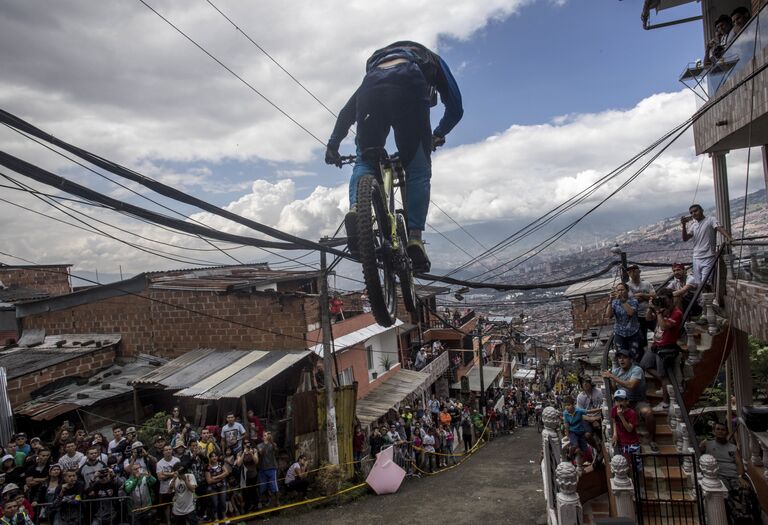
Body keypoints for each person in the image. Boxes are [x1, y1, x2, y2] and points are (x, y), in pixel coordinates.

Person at [324, 40, 464, 271]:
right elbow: (456, 108)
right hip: (410, 87)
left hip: (371, 91)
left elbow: (348, 112)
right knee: (418, 169)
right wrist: (437, 134)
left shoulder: (377, 69)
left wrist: (333, 145)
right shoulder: (433, 61)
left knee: (364, 160)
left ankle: (357, 212)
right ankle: (415, 239)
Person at [602, 347, 659, 453]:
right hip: (623, 403)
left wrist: (613, 377)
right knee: (614, 413)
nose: (621, 360)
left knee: (648, 413)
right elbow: (614, 390)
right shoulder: (616, 371)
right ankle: (618, 438)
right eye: (619, 358)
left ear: (631, 360)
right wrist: (609, 380)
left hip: (637, 401)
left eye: (624, 358)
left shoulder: (636, 370)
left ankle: (652, 440)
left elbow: (631, 385)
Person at [642, 288, 683, 412]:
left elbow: (664, 326)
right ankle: (666, 384)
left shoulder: (677, 313)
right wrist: (651, 307)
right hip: (656, 344)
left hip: (667, 347)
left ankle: (665, 402)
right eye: (661, 299)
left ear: (671, 299)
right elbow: (648, 319)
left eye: (664, 299)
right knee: (645, 364)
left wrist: (659, 312)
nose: (663, 302)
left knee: (663, 375)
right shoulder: (661, 309)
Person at [681, 204, 732, 288]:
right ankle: (703, 300)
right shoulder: (694, 225)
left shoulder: (711, 219)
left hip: (708, 256)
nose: (694, 213)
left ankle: (708, 299)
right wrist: (683, 225)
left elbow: (719, 228)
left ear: (702, 210)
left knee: (706, 283)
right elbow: (685, 238)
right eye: (691, 212)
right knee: (698, 283)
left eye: (695, 211)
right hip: (696, 258)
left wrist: (729, 238)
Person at [605, 282, 641, 358]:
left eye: (622, 290)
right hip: (619, 333)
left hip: (633, 332)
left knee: (634, 355)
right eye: (618, 290)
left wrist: (622, 300)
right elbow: (609, 315)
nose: (620, 292)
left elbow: (631, 313)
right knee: (621, 356)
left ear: (627, 290)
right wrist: (610, 301)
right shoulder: (615, 302)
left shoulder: (633, 301)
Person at [626, 264, 655, 359]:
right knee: (641, 340)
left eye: (634, 270)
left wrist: (641, 294)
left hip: (650, 313)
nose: (632, 272)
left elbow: (654, 296)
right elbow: (630, 300)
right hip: (637, 316)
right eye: (629, 271)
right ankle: (643, 359)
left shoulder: (647, 283)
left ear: (639, 271)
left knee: (659, 332)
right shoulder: (627, 286)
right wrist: (646, 296)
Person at [611, 389, 642, 472]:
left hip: (632, 444)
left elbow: (629, 429)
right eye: (617, 400)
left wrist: (621, 416)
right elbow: (614, 422)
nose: (619, 403)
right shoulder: (614, 410)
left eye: (621, 400)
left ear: (626, 401)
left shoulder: (632, 413)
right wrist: (615, 434)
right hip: (622, 443)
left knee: (636, 468)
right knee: (625, 467)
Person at [575, 378, 604, 451]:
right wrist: (592, 420)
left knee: (604, 434)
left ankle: (604, 447)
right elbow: (581, 414)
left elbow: (603, 407)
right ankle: (597, 448)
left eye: (587, 382)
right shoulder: (580, 397)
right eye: (583, 382)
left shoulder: (599, 392)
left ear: (591, 383)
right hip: (588, 419)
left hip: (600, 416)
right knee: (586, 435)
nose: (585, 384)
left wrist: (597, 418)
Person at [156, 445, 180, 525]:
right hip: (165, 489)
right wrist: (173, 474)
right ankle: (168, 522)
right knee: (166, 507)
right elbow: (160, 477)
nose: (168, 451)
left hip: (177, 487)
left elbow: (180, 473)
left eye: (170, 449)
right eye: (166, 450)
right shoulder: (159, 463)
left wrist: (165, 473)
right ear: (163, 452)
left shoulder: (177, 460)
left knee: (177, 504)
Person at [256, 432, 279, 508]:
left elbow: (275, 449)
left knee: (273, 486)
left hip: (272, 468)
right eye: (264, 435)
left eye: (267, 435)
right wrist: (266, 444)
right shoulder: (259, 445)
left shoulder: (273, 444)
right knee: (263, 487)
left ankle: (277, 502)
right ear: (262, 437)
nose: (266, 436)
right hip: (262, 469)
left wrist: (271, 441)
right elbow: (261, 452)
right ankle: (266, 501)